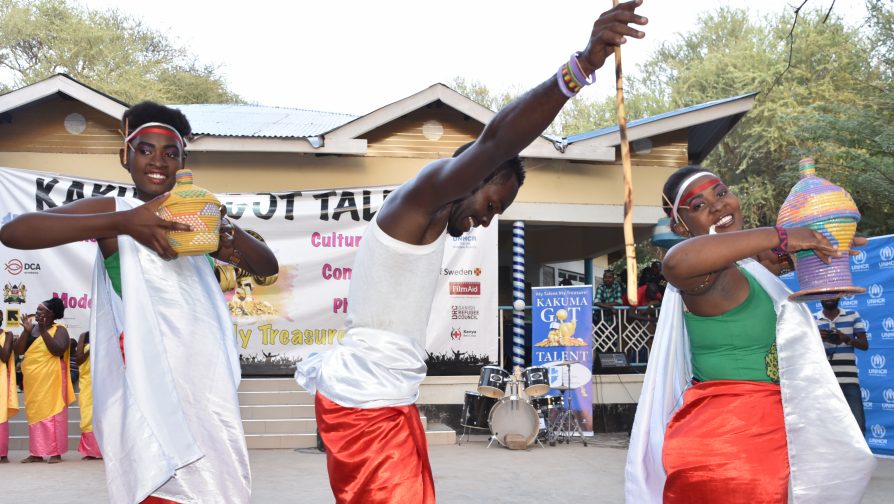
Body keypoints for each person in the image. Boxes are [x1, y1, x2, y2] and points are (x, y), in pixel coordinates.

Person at [295, 3, 648, 502]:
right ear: (472, 176)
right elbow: (498, 138)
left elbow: (494, 144)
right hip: (365, 406)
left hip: (383, 400)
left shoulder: (430, 219)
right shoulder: (420, 199)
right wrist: (583, 66)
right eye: (490, 203)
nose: (486, 219)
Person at [0, 101, 277, 502]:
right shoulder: (118, 211)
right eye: (145, 150)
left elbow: (267, 266)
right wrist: (124, 223)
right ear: (124, 155)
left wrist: (226, 232)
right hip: (151, 378)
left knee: (215, 486)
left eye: (170, 153)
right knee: (161, 480)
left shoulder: (196, 215)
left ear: (184, 162)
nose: (157, 161)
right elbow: (14, 231)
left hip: (206, 381)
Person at [625, 165, 876, 503]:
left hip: (761, 433)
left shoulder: (750, 267)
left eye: (721, 192)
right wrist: (782, 235)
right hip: (729, 443)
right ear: (680, 226)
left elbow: (784, 261)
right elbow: (676, 262)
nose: (718, 206)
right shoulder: (707, 278)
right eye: (698, 206)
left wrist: (828, 244)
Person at [14, 298, 74, 464]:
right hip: (33, 379)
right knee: (34, 414)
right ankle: (37, 452)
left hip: (52, 378)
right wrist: (26, 332)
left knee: (53, 414)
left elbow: (57, 350)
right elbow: (18, 351)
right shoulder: (31, 329)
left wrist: (43, 330)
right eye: (37, 309)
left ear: (52, 314)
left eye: (42, 310)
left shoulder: (60, 330)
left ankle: (55, 452)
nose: (38, 313)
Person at [814, 297, 869, 434]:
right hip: (823, 381)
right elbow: (805, 349)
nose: (829, 299)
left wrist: (847, 338)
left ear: (839, 296)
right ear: (820, 299)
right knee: (826, 426)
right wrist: (815, 337)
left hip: (849, 380)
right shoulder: (813, 318)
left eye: (833, 295)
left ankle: (858, 455)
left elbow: (864, 345)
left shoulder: (852, 315)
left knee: (858, 424)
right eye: (827, 296)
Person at [75, 331, 102, 459]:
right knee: (88, 416)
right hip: (88, 382)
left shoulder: (111, 331)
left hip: (106, 382)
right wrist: (92, 348)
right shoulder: (84, 335)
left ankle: (106, 451)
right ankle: (91, 451)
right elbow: (79, 359)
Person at [0, 329, 18, 463]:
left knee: (1, 415)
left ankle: (2, 453)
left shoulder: (7, 335)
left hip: (1, 377)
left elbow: (5, 356)